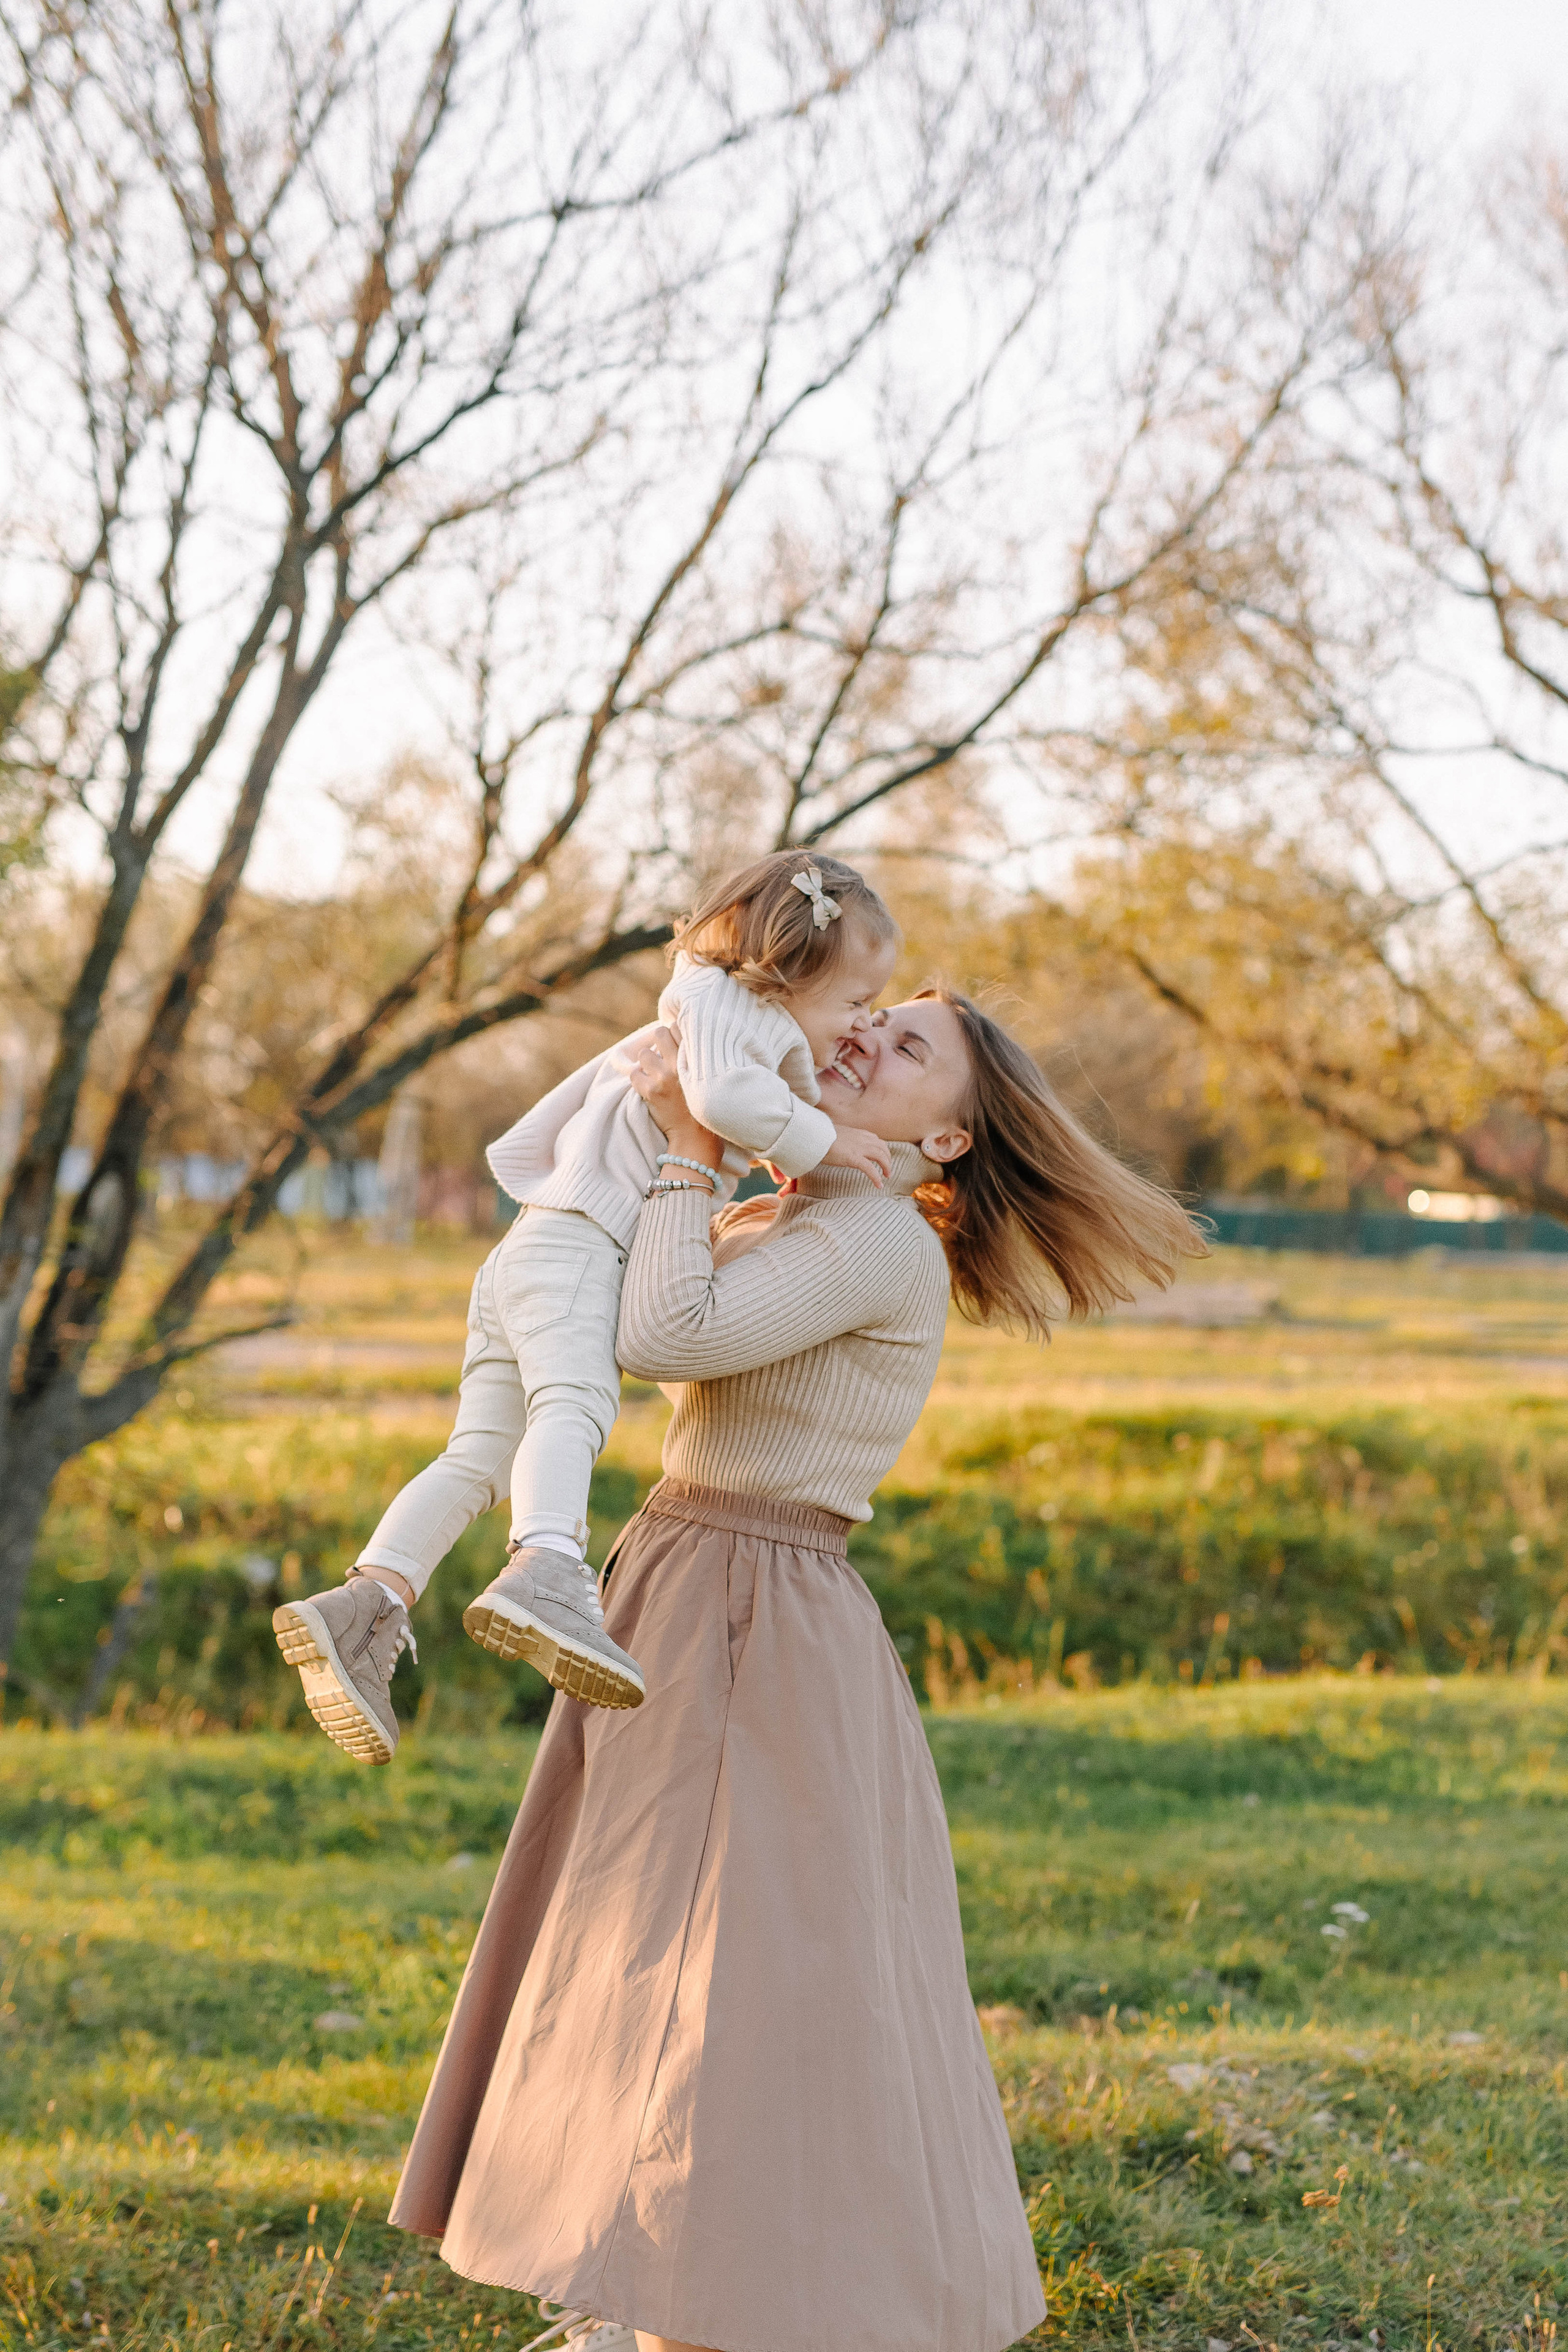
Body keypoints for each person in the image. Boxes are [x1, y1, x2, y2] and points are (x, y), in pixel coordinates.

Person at [388, 987, 1203, 2352]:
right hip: (691, 1577)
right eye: (875, 1013)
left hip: (750, 1606)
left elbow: (664, 1336)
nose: (868, 1034)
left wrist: (690, 1145)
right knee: (648, 1951)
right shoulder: (820, 1208)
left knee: (741, 1981)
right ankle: (650, 2293)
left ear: (946, 1139)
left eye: (909, 1048)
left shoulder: (878, 1239)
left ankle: (705, 2309)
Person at [273, 851, 900, 1761]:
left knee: (479, 1455)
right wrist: (829, 1135)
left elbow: (752, 1101)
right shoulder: (727, 1008)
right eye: (853, 1002)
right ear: (789, 972)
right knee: (573, 1408)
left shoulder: (732, 1017)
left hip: (532, 1249)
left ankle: (366, 1603)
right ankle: (549, 1570)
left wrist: (806, 1135)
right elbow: (725, 1098)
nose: (860, 1022)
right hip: (578, 1248)